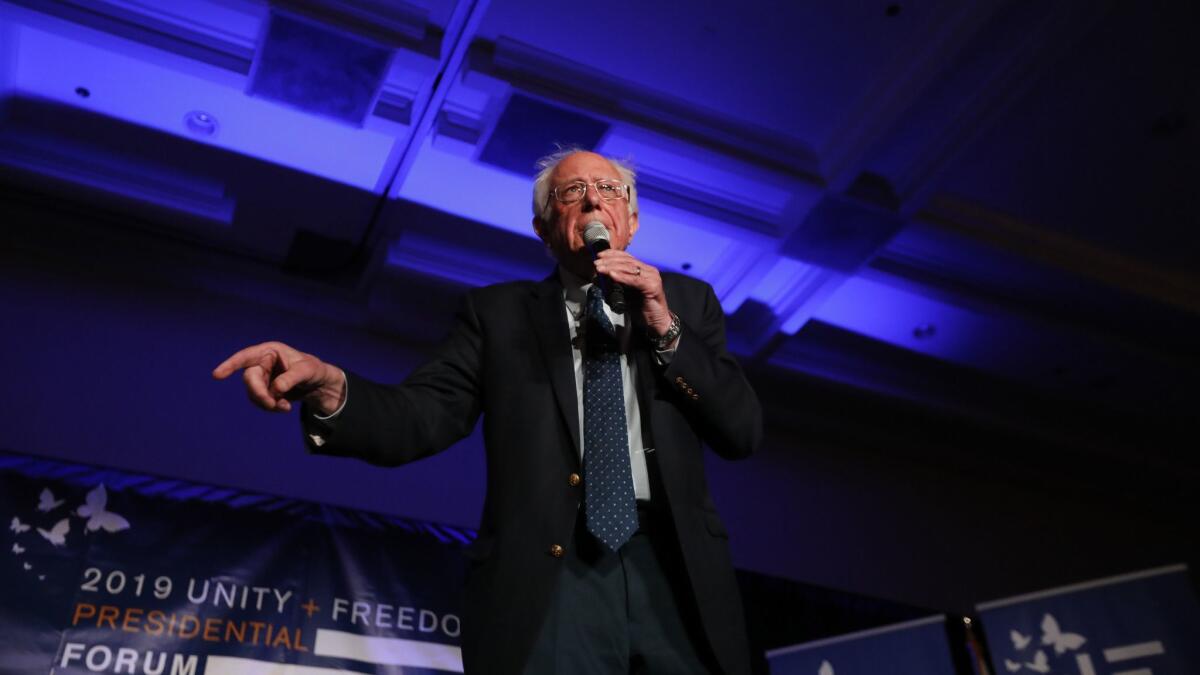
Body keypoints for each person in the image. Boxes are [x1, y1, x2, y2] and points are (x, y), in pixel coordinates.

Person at [213, 149, 762, 674]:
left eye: (608, 190)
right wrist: (332, 388)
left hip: (675, 569)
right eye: (573, 192)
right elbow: (421, 416)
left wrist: (663, 325)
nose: (594, 202)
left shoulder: (687, 302)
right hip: (555, 572)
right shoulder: (497, 315)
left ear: (632, 220)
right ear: (544, 229)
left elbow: (740, 430)